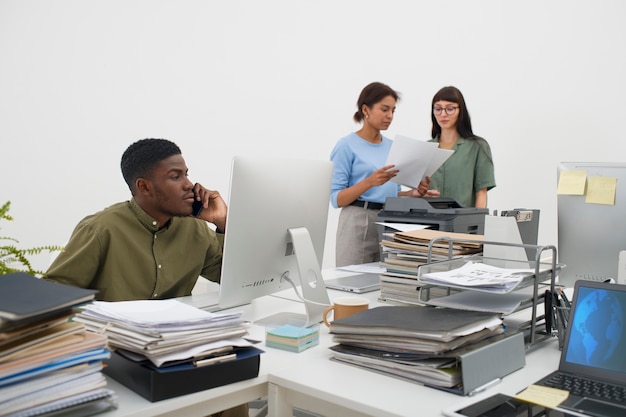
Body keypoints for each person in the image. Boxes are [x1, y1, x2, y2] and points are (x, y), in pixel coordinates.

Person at [46, 138, 248, 417]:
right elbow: (55, 296)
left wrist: (223, 223)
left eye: (186, 174)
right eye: (175, 176)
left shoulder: (196, 230)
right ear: (144, 186)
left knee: (232, 388)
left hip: (176, 346)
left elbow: (234, 278)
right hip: (117, 351)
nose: (189, 184)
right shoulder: (101, 230)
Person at [330, 82, 439, 267]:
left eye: (393, 111)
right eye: (384, 109)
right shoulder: (346, 145)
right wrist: (369, 182)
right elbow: (336, 199)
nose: (390, 116)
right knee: (350, 281)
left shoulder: (392, 146)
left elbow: (390, 193)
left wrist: (412, 194)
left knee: (383, 282)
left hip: (388, 220)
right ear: (366, 109)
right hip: (357, 220)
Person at [427, 86, 496, 208]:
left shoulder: (478, 146)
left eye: (450, 109)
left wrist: (477, 223)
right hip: (429, 221)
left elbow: (481, 193)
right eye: (438, 108)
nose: (443, 114)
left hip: (463, 222)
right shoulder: (426, 148)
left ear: (461, 111)